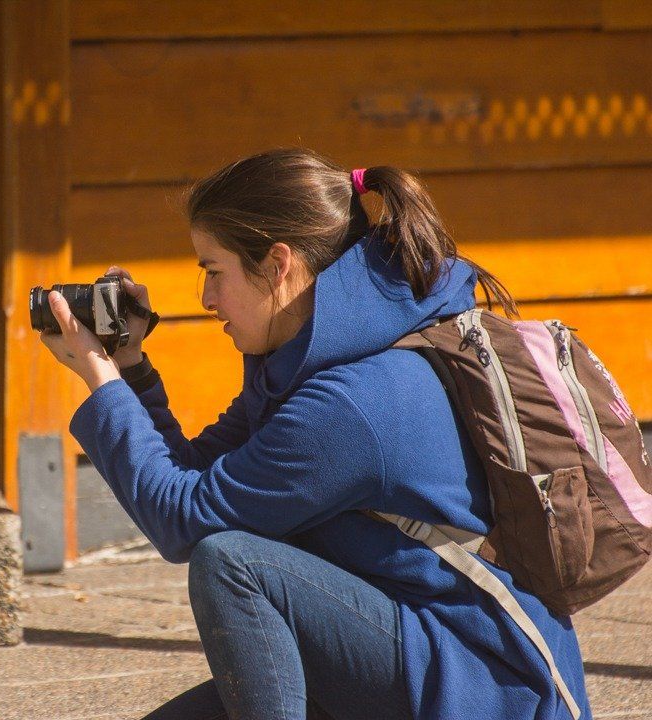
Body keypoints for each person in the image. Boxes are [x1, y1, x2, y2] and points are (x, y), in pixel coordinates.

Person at [38, 147, 591, 720]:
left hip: (481, 682)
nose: (206, 299)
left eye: (214, 271)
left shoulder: (353, 402)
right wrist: (129, 367)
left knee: (232, 564)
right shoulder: (306, 370)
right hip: (408, 651)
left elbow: (183, 520)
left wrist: (99, 376)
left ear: (278, 265)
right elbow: (188, 479)